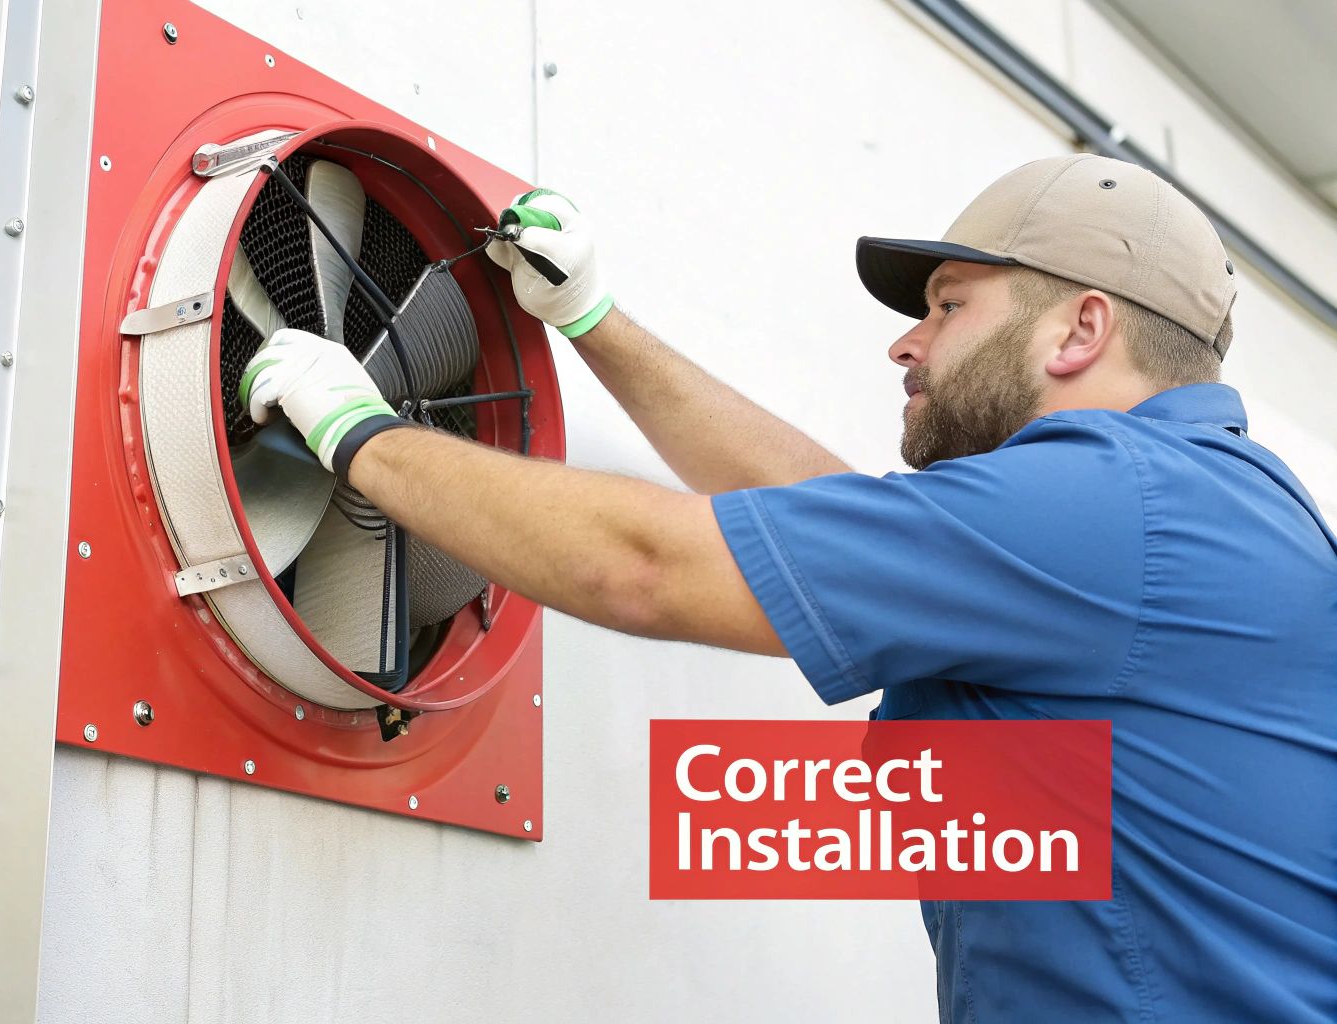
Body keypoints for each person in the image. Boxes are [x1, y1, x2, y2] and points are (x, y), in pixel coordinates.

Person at [239, 154, 1337, 1022]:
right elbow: (831, 518)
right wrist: (590, 321)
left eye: (949, 306)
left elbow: (648, 568)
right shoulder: (1189, 508)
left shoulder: (1112, 506)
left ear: (1080, 329)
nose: (905, 344)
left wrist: (360, 436)